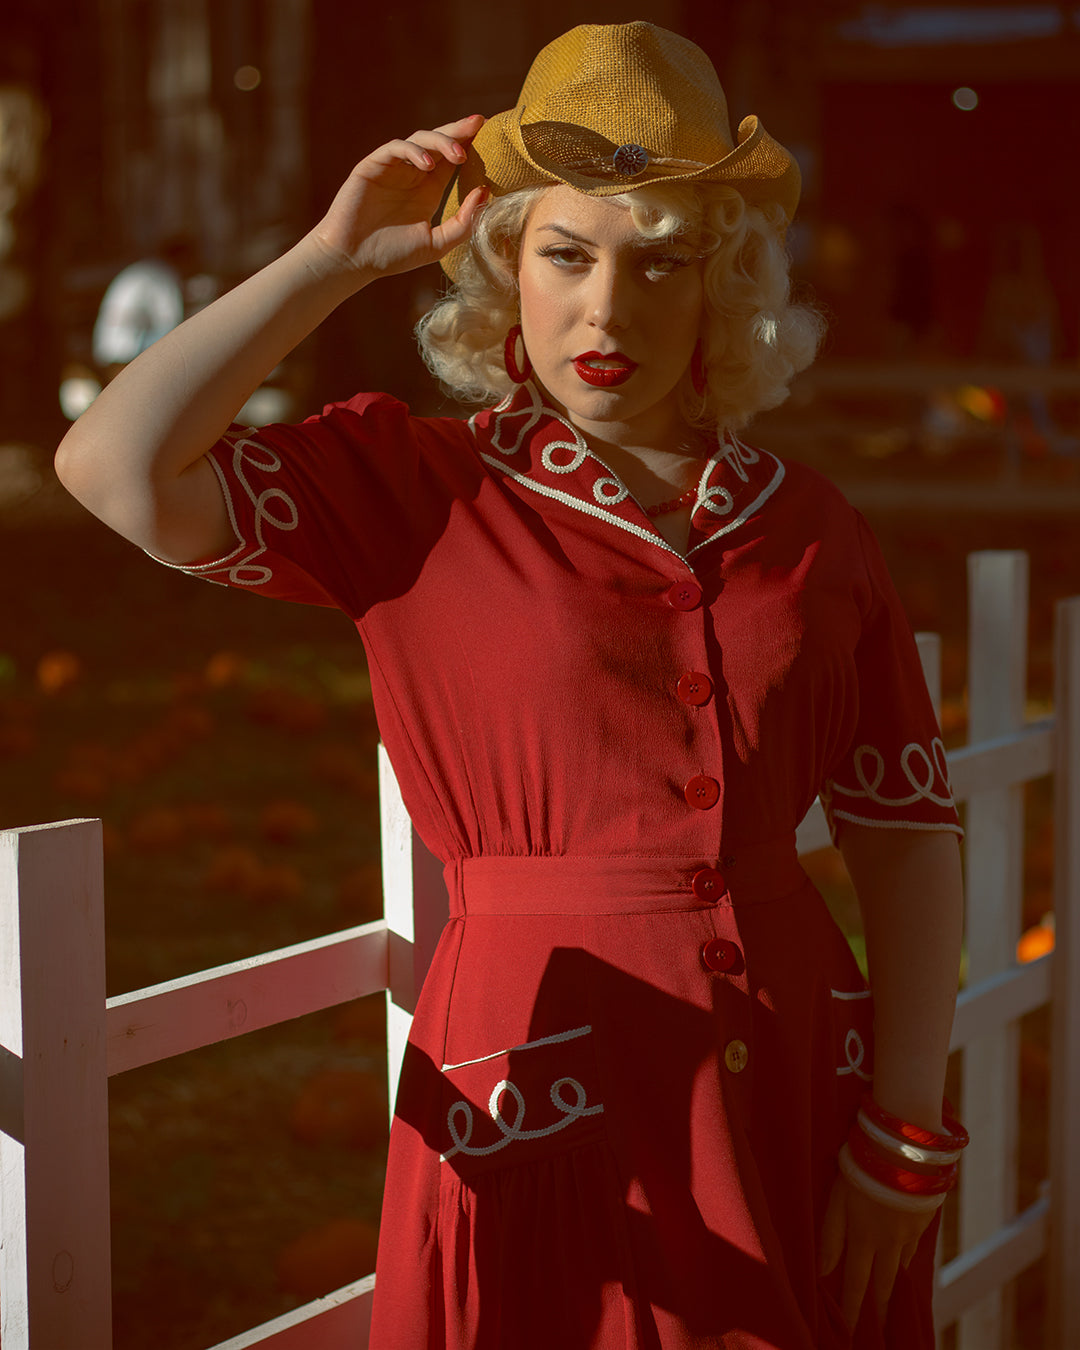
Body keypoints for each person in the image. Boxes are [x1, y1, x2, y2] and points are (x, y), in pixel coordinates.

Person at [55, 23, 966, 1350]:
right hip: (536, 1089)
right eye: (567, 254)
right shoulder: (411, 489)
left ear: (721, 283)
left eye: (661, 262)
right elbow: (113, 469)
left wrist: (905, 1128)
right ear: (504, 264)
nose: (608, 311)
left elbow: (906, 829)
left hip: (800, 1099)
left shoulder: (814, 526)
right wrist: (328, 261)